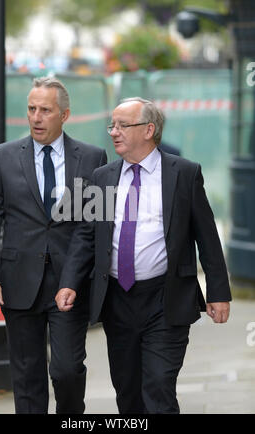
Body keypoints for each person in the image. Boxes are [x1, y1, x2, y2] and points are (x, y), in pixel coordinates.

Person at [56, 97, 231, 414]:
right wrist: (69, 282)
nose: (114, 132)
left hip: (166, 298)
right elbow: (85, 234)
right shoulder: (103, 177)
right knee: (128, 392)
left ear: (149, 129)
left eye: (123, 125)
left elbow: (207, 236)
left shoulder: (184, 174)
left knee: (158, 387)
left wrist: (218, 292)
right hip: (117, 300)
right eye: (112, 125)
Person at [0, 77, 107, 414]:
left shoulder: (92, 158)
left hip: (70, 282)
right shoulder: (2, 158)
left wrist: (78, 279)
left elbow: (92, 225)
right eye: (32, 109)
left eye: (45, 110)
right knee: (27, 376)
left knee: (66, 370)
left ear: (64, 115)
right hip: (18, 282)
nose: (36, 117)